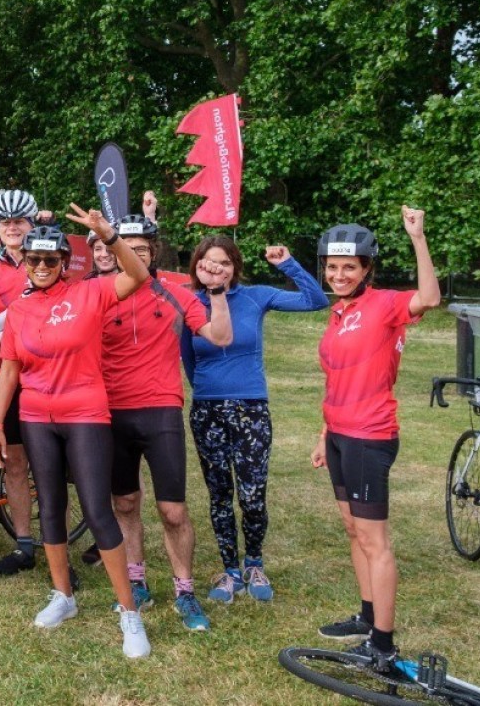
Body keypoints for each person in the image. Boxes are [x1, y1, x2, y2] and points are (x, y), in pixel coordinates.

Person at [0, 211, 152, 658]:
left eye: (50, 260)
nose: (41, 267)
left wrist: (109, 237)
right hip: (37, 416)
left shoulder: (89, 293)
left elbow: (137, 275)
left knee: (99, 511)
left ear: (65, 260)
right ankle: (63, 595)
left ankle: (129, 613)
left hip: (84, 412)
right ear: (24, 262)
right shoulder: (19, 310)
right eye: (34, 260)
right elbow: (9, 369)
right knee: (53, 509)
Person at [311, 208, 439, 668]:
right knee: (354, 531)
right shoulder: (338, 312)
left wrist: (417, 237)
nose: (338, 274)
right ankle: (367, 617)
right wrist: (325, 433)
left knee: (374, 540)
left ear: (367, 270)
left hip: (369, 436)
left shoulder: (385, 305)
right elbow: (339, 379)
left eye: (349, 267)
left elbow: (429, 296)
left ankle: (383, 645)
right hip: (341, 435)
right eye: (332, 266)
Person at [101, 215, 232, 632]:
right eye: (126, 247)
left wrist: (218, 294)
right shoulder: (102, 294)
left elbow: (220, 336)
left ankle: (185, 591)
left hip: (160, 410)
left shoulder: (175, 294)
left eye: (141, 249)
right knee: (124, 503)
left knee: (172, 510)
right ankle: (136, 582)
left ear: (153, 252)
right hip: (112, 410)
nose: (132, 255)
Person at [181, 236, 329, 604]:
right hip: (207, 409)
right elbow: (188, 358)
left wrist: (288, 264)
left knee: (252, 494)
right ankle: (230, 568)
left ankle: (254, 562)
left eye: (225, 263)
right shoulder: (190, 303)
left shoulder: (256, 296)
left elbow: (316, 300)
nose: (217, 268)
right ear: (198, 266)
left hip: (251, 407)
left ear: (235, 267)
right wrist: (206, 390)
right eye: (209, 262)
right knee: (219, 494)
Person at [0, 189, 40, 572]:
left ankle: (55, 543)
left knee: (49, 465)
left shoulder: (47, 258)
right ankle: (24, 545)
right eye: (5, 223)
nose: (12, 228)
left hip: (46, 377)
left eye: (19, 221)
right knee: (14, 464)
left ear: (31, 223)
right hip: (4, 376)